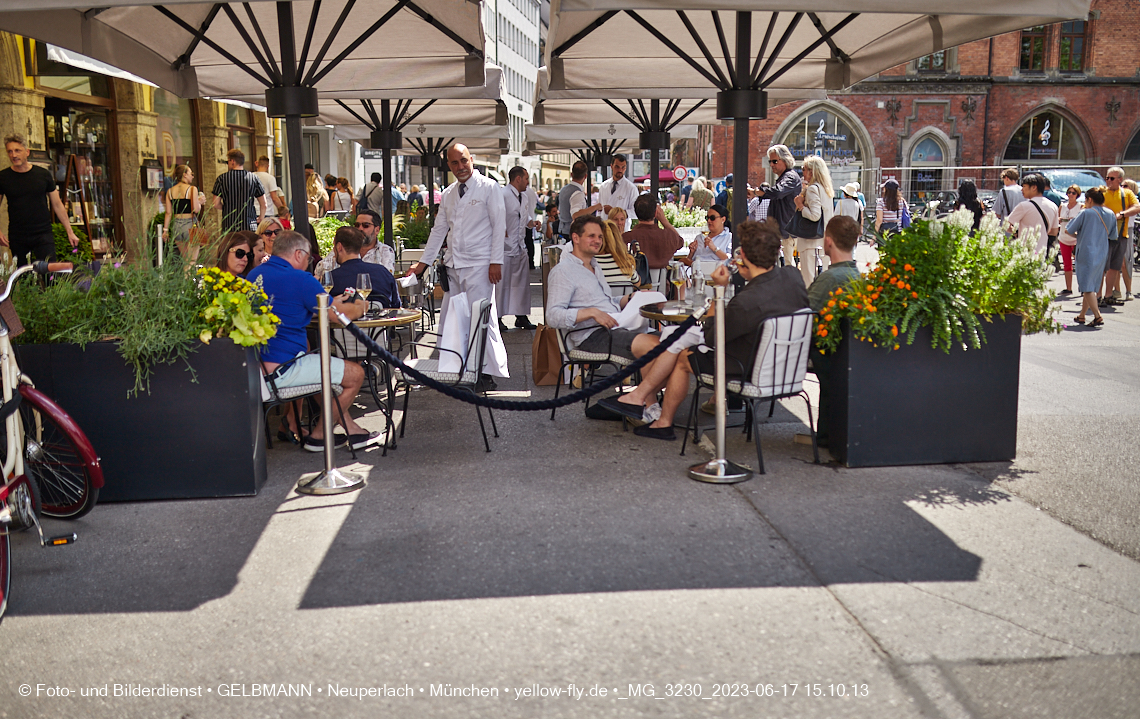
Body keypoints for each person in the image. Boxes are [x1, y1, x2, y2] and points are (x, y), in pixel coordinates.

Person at [632, 219, 811, 441]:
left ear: (743, 256)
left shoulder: (747, 302)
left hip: (750, 369)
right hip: (789, 369)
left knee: (685, 356)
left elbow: (711, 337)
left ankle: (663, 421)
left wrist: (718, 289)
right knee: (680, 345)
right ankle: (647, 400)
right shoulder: (793, 277)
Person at [546, 215, 685, 432]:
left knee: (677, 344)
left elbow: (607, 302)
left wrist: (629, 299)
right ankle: (650, 405)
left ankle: (638, 400)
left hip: (615, 326)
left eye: (600, 237)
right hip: (590, 336)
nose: (597, 241)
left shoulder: (595, 266)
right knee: (655, 346)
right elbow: (552, 316)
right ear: (575, 238)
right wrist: (592, 313)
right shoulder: (563, 272)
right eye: (591, 236)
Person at [247, 230, 379, 450]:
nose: (308, 263)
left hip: (257, 369)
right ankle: (319, 436)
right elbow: (337, 314)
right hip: (283, 369)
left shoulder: (254, 275)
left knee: (318, 363)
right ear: (298, 254)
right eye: (308, 258)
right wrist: (360, 306)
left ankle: (351, 429)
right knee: (356, 374)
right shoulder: (301, 279)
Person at [409, 144, 508, 388]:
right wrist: (423, 263)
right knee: (455, 319)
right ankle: (459, 368)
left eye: (463, 160)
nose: (460, 166)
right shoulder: (449, 193)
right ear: (449, 166)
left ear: (471, 159)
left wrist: (496, 261)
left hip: (481, 264)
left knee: (480, 318)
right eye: (455, 163)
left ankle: (484, 374)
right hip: (454, 265)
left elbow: (499, 226)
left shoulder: (489, 187)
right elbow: (439, 230)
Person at [803, 215, 862, 448]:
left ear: (828, 241)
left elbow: (803, 315)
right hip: (845, 355)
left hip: (825, 355)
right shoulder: (858, 277)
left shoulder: (829, 279)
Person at [0, 133, 79, 263]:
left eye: (17, 150)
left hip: (42, 233)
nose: (13, 155)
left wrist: (70, 231)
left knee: (49, 271)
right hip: (17, 235)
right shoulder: (3, 177)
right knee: (22, 273)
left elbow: (57, 204)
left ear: (27, 152)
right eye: (10, 151)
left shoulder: (43, 175)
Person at [497, 166, 538, 331]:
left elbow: (525, 217)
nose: (528, 182)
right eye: (526, 178)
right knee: (502, 284)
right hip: (505, 247)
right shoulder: (503, 194)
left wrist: (532, 223)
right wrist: (502, 230)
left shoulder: (524, 197)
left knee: (521, 284)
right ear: (518, 179)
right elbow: (495, 215)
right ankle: (497, 317)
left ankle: (521, 316)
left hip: (520, 246)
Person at [1066, 186, 1114, 327]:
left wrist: (1080, 235)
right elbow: (1113, 235)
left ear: (1090, 199)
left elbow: (1069, 230)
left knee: (1086, 286)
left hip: (1086, 252)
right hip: (1102, 251)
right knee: (1092, 284)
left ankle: (1097, 316)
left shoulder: (1086, 213)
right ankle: (1082, 315)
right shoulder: (1110, 213)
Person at [754, 144, 801, 270]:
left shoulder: (790, 176)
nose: (771, 164)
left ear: (785, 160)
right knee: (780, 266)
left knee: (788, 266)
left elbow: (778, 192)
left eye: (774, 161)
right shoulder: (784, 177)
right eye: (770, 161)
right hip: (780, 230)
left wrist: (760, 193)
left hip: (786, 231)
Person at [327, 226, 400, 307]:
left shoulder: (331, 279)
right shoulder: (383, 272)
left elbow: (323, 307)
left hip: (345, 315)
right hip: (381, 315)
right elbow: (396, 306)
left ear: (339, 247)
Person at [313, 208, 395, 278]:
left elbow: (386, 278)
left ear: (377, 230)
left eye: (365, 225)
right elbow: (319, 271)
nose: (360, 229)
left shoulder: (385, 251)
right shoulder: (345, 247)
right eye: (357, 225)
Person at [793, 156, 835, 285]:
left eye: (804, 169)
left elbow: (815, 215)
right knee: (822, 282)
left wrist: (800, 205)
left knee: (809, 283)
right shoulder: (826, 190)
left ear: (812, 171)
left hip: (810, 242)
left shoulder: (812, 189)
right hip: (824, 240)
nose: (802, 172)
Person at [1101, 167, 1139, 305]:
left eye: (1112, 178)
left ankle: (1108, 295)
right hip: (1103, 236)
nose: (1108, 181)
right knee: (1101, 267)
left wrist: (1122, 214)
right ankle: (1097, 296)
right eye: (1107, 178)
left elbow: (1137, 207)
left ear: (1120, 179)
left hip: (1121, 235)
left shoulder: (1127, 193)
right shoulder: (1101, 192)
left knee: (1115, 267)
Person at [623, 193, 683, 272]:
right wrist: (663, 220)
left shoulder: (626, 238)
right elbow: (680, 241)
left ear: (636, 213)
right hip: (662, 279)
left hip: (634, 278)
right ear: (656, 213)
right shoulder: (669, 237)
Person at [1003, 173, 1059, 255]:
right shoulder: (1053, 206)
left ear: (1034, 188)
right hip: (1042, 253)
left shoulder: (1024, 206)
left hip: (1024, 252)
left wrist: (1016, 232)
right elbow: (1054, 232)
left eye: (1024, 186)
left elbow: (1006, 225)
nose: (1022, 189)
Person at [211, 148, 265, 233]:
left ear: (232, 161)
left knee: (231, 242)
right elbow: (264, 203)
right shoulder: (253, 178)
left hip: (229, 225)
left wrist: (227, 208)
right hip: (249, 224)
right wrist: (261, 217)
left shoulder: (222, 179)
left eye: (228, 161)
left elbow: (215, 203)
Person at [163, 164, 203, 252]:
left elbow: (168, 213)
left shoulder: (170, 191)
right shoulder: (192, 189)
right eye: (191, 174)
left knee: (185, 258)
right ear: (184, 175)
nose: (192, 176)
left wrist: (165, 230)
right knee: (192, 258)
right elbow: (196, 209)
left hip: (176, 226)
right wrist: (199, 202)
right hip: (190, 224)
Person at [596, 207, 639, 287]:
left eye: (622, 219)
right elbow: (637, 283)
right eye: (616, 219)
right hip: (624, 294)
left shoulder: (592, 264)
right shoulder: (627, 262)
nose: (619, 223)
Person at [558, 161, 601, 237]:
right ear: (585, 176)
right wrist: (595, 207)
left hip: (562, 229)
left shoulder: (563, 189)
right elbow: (576, 215)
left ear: (571, 174)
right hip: (572, 233)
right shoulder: (577, 193)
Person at [598, 154, 639, 231]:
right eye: (617, 167)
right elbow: (599, 210)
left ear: (626, 168)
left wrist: (614, 212)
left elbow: (635, 212)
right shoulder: (603, 186)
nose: (620, 170)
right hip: (605, 229)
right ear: (611, 166)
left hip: (622, 230)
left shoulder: (631, 188)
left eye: (623, 167)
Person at [1057, 184, 1082, 296]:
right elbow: (1057, 219)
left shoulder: (1081, 207)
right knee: (1067, 264)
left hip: (1076, 239)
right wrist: (1060, 219)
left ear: (1077, 195)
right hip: (1063, 237)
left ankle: (1083, 288)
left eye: (1073, 193)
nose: (1071, 195)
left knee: (1080, 264)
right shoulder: (1062, 206)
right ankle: (1068, 288)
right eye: (1069, 192)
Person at [253, 156, 286, 220]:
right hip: (267, 212)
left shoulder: (251, 176)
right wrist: (282, 210)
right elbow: (274, 198)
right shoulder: (270, 178)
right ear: (268, 166)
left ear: (257, 164)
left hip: (253, 211)